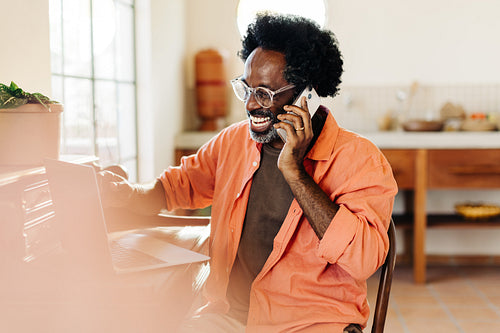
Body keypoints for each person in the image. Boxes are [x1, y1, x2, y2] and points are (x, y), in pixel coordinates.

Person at [99, 13, 398, 333]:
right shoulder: (232, 142)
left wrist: (295, 173)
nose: (252, 105)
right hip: (227, 315)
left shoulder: (359, 159)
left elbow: (365, 259)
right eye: (247, 89)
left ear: (305, 96)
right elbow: (174, 187)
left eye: (265, 94)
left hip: (313, 321)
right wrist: (128, 193)